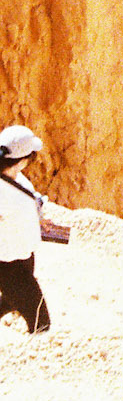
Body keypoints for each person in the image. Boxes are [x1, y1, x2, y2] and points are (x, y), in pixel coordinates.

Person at [0, 125, 51, 334]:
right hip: (7, 264)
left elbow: (28, 198)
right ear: (22, 161)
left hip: (23, 255)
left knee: (15, 299)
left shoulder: (17, 178)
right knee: (41, 321)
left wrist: (38, 218)